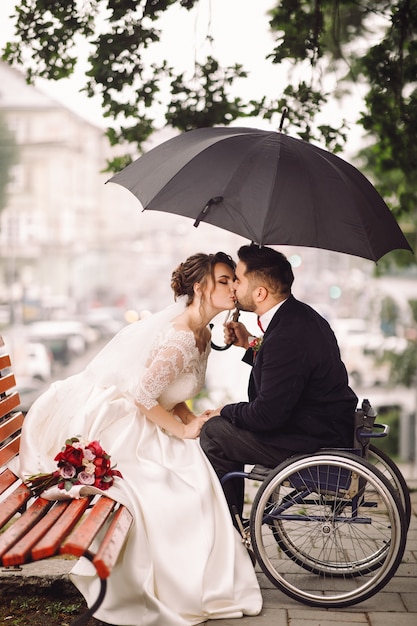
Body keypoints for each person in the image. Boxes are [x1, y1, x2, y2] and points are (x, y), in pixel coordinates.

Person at [16, 252, 262, 626]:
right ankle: (169, 585)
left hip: (152, 417)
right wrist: (182, 430)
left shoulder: (204, 333)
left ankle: (202, 576)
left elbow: (173, 395)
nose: (232, 287)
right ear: (200, 287)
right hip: (127, 424)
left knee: (195, 473)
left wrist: (192, 419)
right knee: (174, 487)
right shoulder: (180, 337)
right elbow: (143, 396)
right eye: (224, 280)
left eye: (233, 280)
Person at [200, 244, 358, 523]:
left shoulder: (286, 336)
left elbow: (266, 416)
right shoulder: (298, 316)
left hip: (310, 440)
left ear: (260, 293)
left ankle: (230, 529)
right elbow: (292, 372)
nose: (234, 286)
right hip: (319, 424)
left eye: (238, 279)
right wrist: (250, 343)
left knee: (215, 432)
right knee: (226, 426)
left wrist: (225, 411)